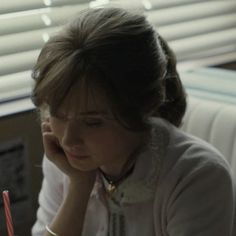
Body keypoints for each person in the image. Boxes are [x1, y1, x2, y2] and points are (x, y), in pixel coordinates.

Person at [31, 6, 235, 236]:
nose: (69, 139)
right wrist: (80, 186)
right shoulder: (66, 158)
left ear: (143, 107)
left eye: (93, 122)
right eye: (58, 115)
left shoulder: (197, 177)